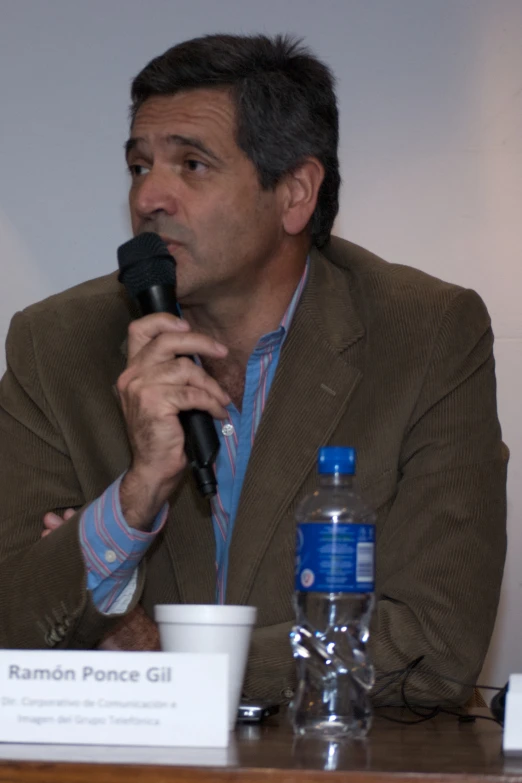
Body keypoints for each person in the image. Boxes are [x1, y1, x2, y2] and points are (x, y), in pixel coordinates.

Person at [0, 33, 507, 707]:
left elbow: (435, 644)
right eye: (138, 165)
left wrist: (169, 660)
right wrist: (134, 498)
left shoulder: (428, 335)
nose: (150, 195)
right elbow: (13, 626)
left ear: (296, 192)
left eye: (192, 164)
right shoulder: (55, 344)